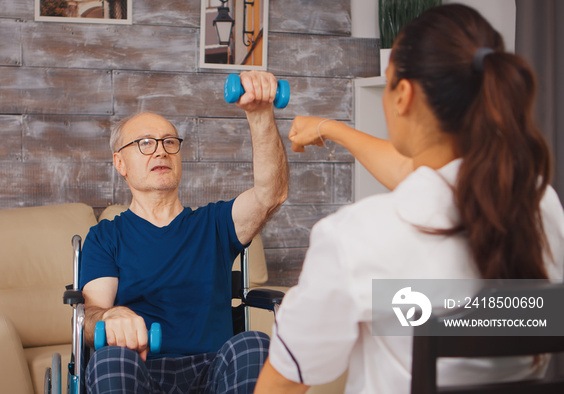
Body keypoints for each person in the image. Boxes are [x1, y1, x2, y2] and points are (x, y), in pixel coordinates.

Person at [254, 4, 564, 394]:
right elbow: (427, 175)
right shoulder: (542, 207)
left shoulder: (357, 237)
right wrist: (329, 129)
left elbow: (284, 383)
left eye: (387, 83)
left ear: (404, 94)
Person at [78, 70, 289, 393]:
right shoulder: (106, 237)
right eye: (145, 144)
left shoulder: (215, 223)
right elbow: (91, 315)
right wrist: (111, 315)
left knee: (254, 344)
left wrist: (260, 115)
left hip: (213, 369)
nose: (160, 151)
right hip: (140, 369)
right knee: (109, 359)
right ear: (120, 163)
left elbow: (270, 194)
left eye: (169, 142)